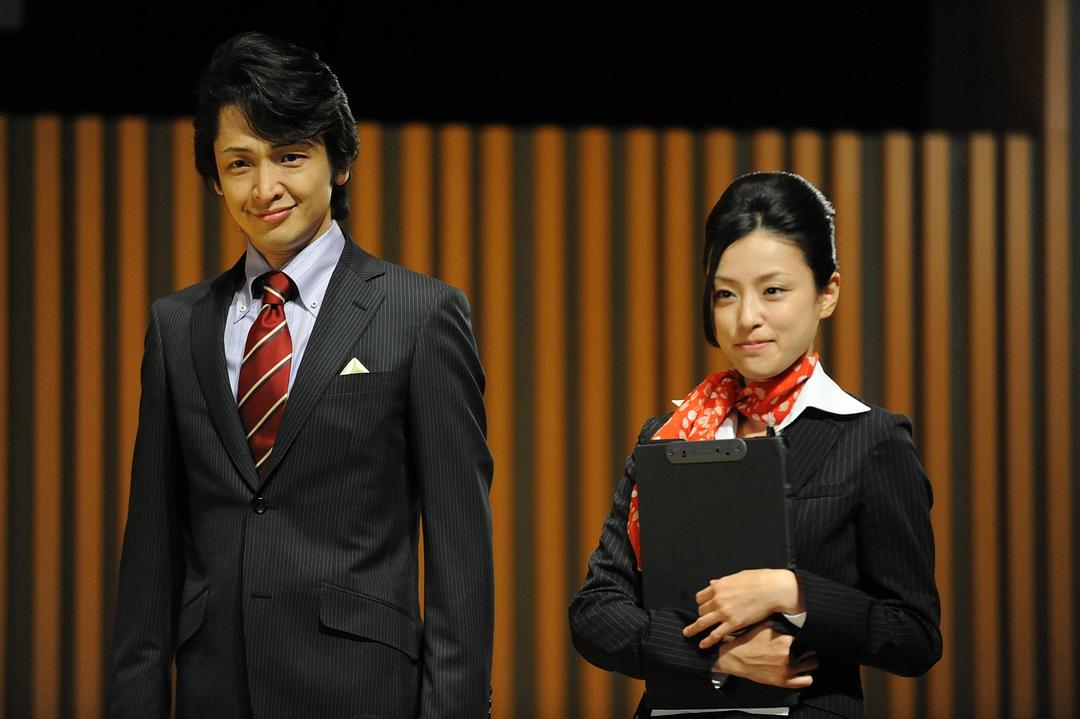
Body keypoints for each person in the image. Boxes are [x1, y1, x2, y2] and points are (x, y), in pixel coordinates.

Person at [106, 31, 494, 719]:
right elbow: (150, 556)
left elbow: (461, 554)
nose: (265, 188)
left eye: (290, 155)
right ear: (214, 177)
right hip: (214, 691)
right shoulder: (177, 326)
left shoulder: (420, 314)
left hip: (363, 692)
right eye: (239, 163)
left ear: (338, 162)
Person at [569, 171, 941, 718]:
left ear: (827, 293)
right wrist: (718, 659)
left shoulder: (872, 439)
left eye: (773, 291)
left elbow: (913, 635)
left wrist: (792, 592)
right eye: (726, 294)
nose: (747, 318)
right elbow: (596, 613)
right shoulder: (668, 436)